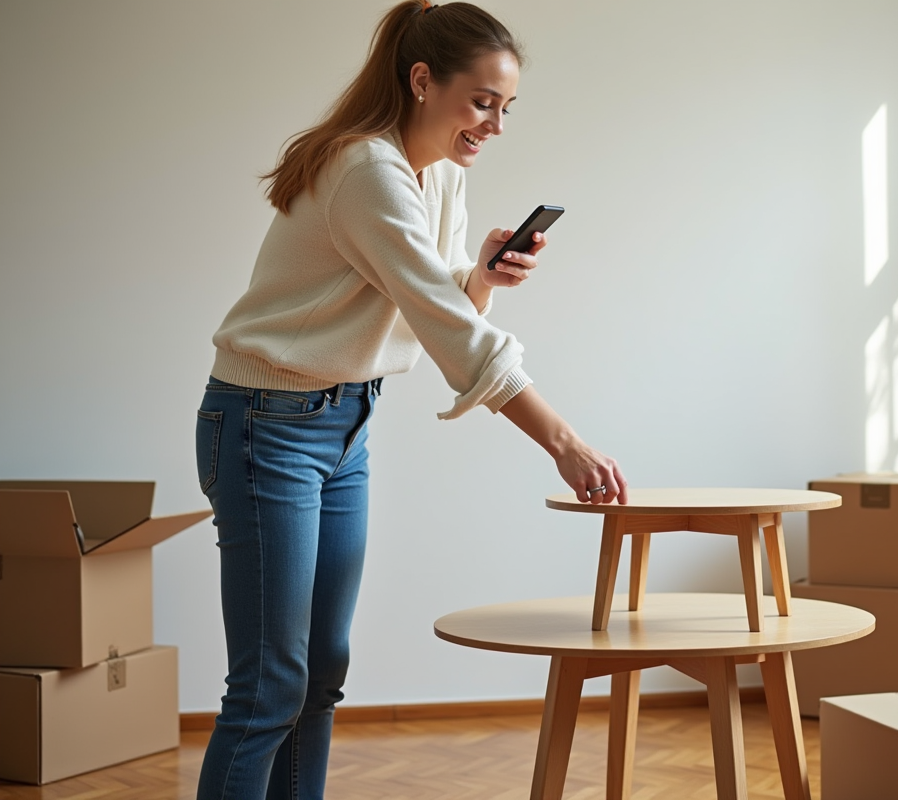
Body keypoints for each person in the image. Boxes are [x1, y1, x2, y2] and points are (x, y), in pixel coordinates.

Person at [193, 2, 627, 797]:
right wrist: (563, 440)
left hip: (343, 425)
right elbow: (453, 335)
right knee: (268, 686)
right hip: (265, 427)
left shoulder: (441, 175)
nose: (495, 123)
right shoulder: (366, 169)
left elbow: (440, 303)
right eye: (481, 101)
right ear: (423, 81)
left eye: (506, 106)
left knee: (321, 673)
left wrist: (481, 280)